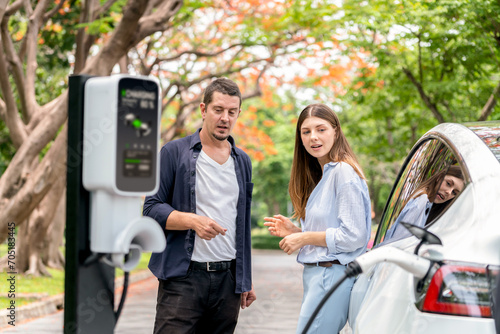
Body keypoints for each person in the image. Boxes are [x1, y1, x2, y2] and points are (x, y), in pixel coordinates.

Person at [143, 77, 256, 334]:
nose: (225, 118)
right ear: (204, 110)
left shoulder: (243, 162)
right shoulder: (174, 152)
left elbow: (243, 223)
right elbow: (151, 208)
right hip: (183, 279)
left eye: (231, 112)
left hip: (227, 281)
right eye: (218, 110)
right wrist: (193, 221)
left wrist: (244, 278)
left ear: (238, 113)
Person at [263, 103, 371, 334]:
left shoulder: (343, 172)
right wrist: (297, 232)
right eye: (306, 131)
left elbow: (353, 236)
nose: (313, 137)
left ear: (336, 131)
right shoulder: (325, 174)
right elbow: (333, 230)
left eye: (321, 129)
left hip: (330, 275)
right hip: (318, 276)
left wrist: (303, 239)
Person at [384, 165, 465, 242]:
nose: (448, 192)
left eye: (454, 192)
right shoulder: (422, 201)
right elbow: (399, 240)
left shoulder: (428, 204)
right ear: (439, 177)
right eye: (448, 184)